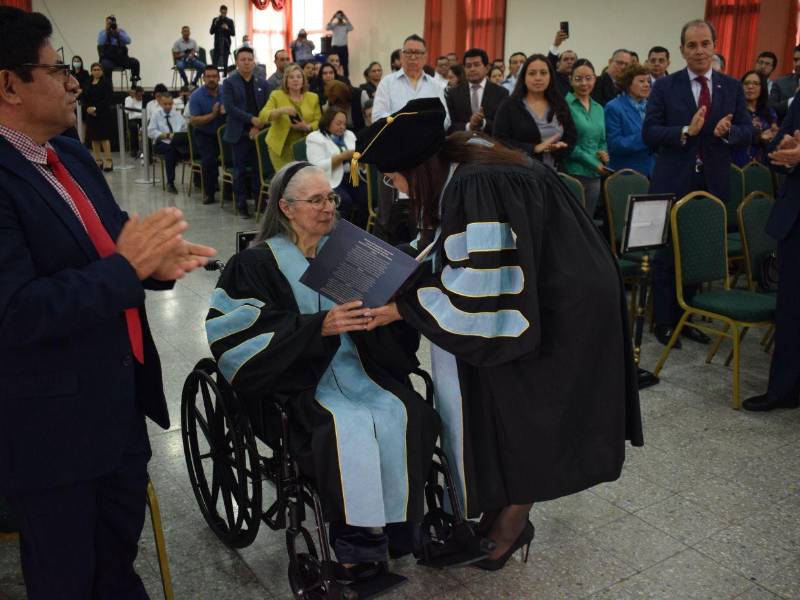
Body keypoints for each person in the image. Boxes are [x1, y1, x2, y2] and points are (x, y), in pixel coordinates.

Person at [354, 97, 642, 570]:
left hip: (565, 305)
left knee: (527, 412)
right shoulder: (467, 159)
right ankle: (495, 511)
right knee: (502, 405)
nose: (397, 190)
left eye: (394, 179)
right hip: (551, 290)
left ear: (417, 167)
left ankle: (509, 527)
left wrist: (402, 309)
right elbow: (467, 246)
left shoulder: (478, 180)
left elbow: (480, 290)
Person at [0, 9, 216, 599]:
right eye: (58, 70)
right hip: (49, 430)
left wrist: (157, 267)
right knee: (68, 577)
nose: (76, 82)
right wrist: (127, 270)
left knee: (117, 563)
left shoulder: (66, 155)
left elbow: (118, 243)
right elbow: (15, 311)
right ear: (8, 85)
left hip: (117, 405)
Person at [206, 160, 439, 570]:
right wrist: (319, 327)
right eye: (315, 200)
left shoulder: (351, 255)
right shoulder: (255, 265)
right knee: (341, 428)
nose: (328, 207)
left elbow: (387, 332)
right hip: (298, 385)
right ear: (285, 208)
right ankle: (356, 545)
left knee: (411, 413)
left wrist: (386, 313)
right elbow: (236, 341)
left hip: (360, 370)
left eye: (330, 197)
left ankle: (403, 529)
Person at [642, 19, 751, 347]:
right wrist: (685, 131)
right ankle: (663, 322)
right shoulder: (665, 86)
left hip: (712, 182)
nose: (700, 51)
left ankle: (684, 317)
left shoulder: (730, 87)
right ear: (682, 50)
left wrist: (727, 132)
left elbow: (748, 131)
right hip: (672, 179)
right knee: (666, 254)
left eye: (705, 44)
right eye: (692, 45)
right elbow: (649, 133)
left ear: (715, 46)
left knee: (693, 253)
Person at [743, 94, 800, 411]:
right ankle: (784, 390)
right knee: (791, 311)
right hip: (795, 218)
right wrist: (786, 150)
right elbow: (776, 148)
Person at [372, 33, 450, 244]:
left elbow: (445, 121)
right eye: (408, 52)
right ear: (401, 55)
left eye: (418, 53)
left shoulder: (435, 86)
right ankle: (379, 266)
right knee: (388, 218)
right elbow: (378, 117)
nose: (413, 57)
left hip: (425, 162)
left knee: (422, 216)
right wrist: (411, 129)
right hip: (393, 159)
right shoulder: (388, 83)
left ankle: (417, 263)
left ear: (425, 57)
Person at [492, 53, 576, 169]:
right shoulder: (510, 105)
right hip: (519, 173)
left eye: (543, 73)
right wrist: (534, 148)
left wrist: (560, 148)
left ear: (550, 76)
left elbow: (571, 136)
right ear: (524, 77)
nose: (538, 78)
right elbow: (499, 141)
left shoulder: (559, 103)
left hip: (555, 173)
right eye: (532, 73)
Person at [221, 46, 269, 218]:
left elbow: (266, 108)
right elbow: (230, 108)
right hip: (239, 132)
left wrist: (258, 126)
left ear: (254, 61)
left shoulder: (262, 83)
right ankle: (241, 204)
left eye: (250, 59)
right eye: (243, 60)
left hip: (258, 132)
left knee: (258, 170)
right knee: (240, 171)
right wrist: (251, 120)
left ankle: (259, 202)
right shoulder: (229, 83)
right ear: (237, 62)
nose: (247, 62)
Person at [562, 59, 609, 217]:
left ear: (595, 78)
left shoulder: (599, 108)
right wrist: (593, 163)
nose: (584, 83)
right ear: (570, 80)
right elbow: (567, 143)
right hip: (572, 173)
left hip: (595, 176)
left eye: (588, 78)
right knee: (571, 222)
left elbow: (602, 140)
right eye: (578, 79)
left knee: (588, 222)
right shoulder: (564, 105)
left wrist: (603, 154)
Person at [306, 107, 367, 227]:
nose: (342, 127)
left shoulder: (349, 135)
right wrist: (342, 156)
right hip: (329, 179)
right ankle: (339, 233)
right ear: (327, 123)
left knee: (367, 199)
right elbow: (317, 166)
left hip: (352, 175)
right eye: (338, 123)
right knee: (345, 201)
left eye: (344, 124)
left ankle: (360, 232)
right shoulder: (315, 138)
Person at [259, 63, 320, 171]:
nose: (295, 80)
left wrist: (307, 126)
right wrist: (281, 110)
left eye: (298, 77)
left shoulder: (313, 97)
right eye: (291, 77)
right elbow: (263, 115)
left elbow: (319, 122)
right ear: (286, 81)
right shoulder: (276, 95)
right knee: (287, 180)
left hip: (304, 145)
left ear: (303, 80)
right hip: (281, 147)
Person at [604, 63, 654, 176]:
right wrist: (647, 137)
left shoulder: (652, 107)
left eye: (648, 81)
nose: (647, 85)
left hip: (653, 171)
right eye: (641, 81)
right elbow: (614, 144)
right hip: (627, 174)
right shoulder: (613, 107)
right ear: (628, 84)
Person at [446, 47, 508, 134]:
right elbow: (449, 125)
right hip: (462, 143)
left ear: (487, 68)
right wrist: (469, 126)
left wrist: (483, 123)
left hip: (491, 144)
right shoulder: (453, 93)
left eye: (476, 65)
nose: (472, 69)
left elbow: (504, 125)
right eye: (468, 66)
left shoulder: (501, 93)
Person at [190, 65, 227, 205]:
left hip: (225, 132)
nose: (211, 79)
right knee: (209, 160)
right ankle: (209, 193)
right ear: (203, 78)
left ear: (218, 77)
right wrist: (213, 114)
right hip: (205, 134)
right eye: (208, 77)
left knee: (236, 156)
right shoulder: (196, 96)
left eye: (214, 76)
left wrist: (227, 109)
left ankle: (231, 191)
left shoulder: (226, 91)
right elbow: (194, 121)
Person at [732, 71, 778, 167]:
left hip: (762, 166)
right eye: (746, 83)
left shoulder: (769, 112)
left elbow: (773, 137)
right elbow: (730, 135)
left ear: (763, 88)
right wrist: (758, 137)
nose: (750, 87)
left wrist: (771, 138)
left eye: (756, 84)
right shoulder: (733, 109)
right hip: (735, 164)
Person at [148, 94, 189, 194]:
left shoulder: (177, 115)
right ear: (161, 104)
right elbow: (151, 132)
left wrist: (179, 136)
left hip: (176, 143)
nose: (168, 106)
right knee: (170, 150)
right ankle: (170, 182)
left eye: (170, 104)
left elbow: (185, 129)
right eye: (165, 104)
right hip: (160, 143)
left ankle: (199, 180)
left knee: (190, 147)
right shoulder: (156, 115)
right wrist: (166, 135)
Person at [83, 62, 114, 171]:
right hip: (90, 114)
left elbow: (108, 99)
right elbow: (85, 97)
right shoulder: (88, 82)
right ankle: (98, 160)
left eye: (98, 70)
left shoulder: (106, 83)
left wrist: (96, 108)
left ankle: (108, 161)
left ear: (102, 71)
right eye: (94, 70)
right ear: (91, 71)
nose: (96, 72)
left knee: (104, 138)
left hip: (103, 113)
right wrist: (88, 108)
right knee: (94, 138)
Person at [97, 15, 141, 85]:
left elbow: (128, 41)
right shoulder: (103, 32)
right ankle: (109, 87)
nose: (111, 25)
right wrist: (106, 31)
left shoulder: (121, 32)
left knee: (135, 62)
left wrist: (118, 33)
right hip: (109, 59)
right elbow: (100, 42)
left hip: (122, 59)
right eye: (108, 23)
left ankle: (134, 84)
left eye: (112, 23)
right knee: (105, 66)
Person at [769, 45, 800, 119]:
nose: (798, 64)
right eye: (795, 60)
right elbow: (771, 109)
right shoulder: (780, 83)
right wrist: (794, 100)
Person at [548, 31, 576, 97]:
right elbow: (549, 64)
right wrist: (555, 45)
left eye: (572, 59)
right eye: (565, 59)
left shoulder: (582, 79)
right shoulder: (554, 77)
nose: (569, 62)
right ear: (558, 64)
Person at [326, 10, 353, 77]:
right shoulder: (334, 25)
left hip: (343, 47)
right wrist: (333, 18)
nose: (340, 17)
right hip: (335, 47)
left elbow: (351, 28)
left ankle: (346, 79)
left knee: (345, 64)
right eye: (338, 15)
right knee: (334, 63)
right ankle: (334, 76)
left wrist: (345, 18)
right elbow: (327, 27)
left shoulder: (346, 25)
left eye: (341, 15)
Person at [210, 4, 235, 75]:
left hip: (226, 44)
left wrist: (227, 28)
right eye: (222, 12)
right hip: (217, 44)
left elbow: (233, 33)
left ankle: (225, 77)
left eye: (225, 13)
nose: (223, 14)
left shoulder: (230, 21)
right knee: (215, 63)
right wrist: (215, 23)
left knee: (225, 63)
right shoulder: (215, 20)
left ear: (226, 12)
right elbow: (211, 32)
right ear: (220, 12)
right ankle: (214, 76)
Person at [124, 85, 144, 158]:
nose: (140, 97)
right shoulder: (128, 99)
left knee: (146, 128)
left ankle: (146, 150)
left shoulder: (144, 99)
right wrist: (133, 100)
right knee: (133, 128)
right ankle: (134, 150)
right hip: (133, 119)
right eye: (138, 96)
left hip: (143, 118)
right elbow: (126, 111)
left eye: (141, 95)